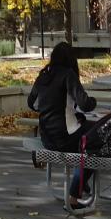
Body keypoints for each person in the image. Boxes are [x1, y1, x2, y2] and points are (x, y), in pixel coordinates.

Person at [27, 41, 99, 207]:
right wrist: (93, 101)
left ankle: (81, 181)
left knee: (84, 134)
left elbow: (31, 103)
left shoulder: (44, 74)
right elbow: (86, 104)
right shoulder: (68, 75)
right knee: (94, 144)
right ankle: (74, 195)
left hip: (46, 136)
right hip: (64, 136)